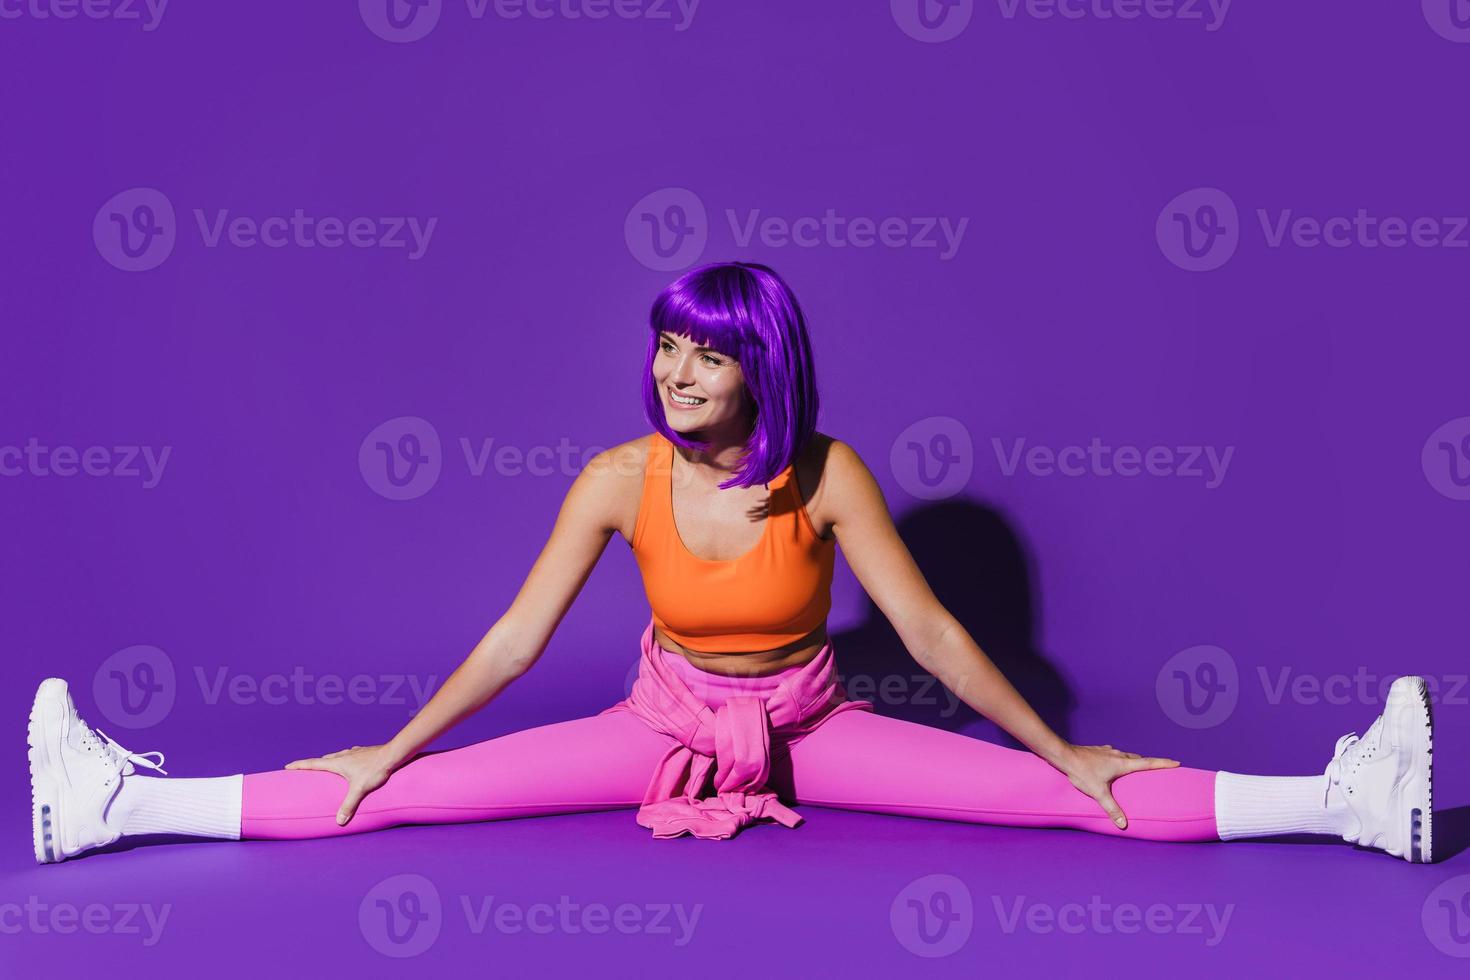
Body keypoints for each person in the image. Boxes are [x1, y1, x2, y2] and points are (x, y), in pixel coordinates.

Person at [27, 261, 1434, 864]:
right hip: (654, 726)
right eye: (666, 344)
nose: (676, 368)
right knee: (384, 802)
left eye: (707, 350)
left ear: (759, 365)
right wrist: (391, 745)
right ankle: (111, 810)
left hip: (811, 727)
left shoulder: (824, 474)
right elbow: (517, 643)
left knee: (1076, 803)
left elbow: (935, 636)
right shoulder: (611, 479)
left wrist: (1059, 749)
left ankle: (1345, 799)